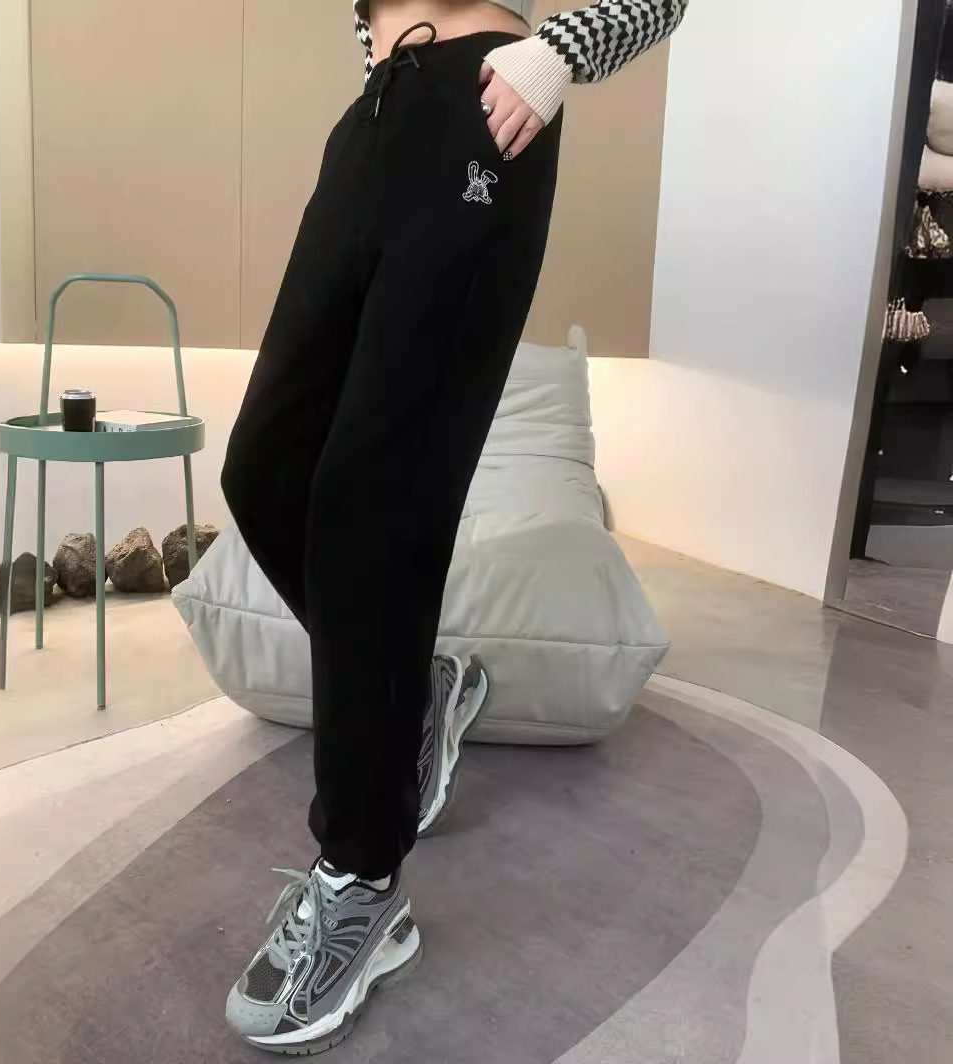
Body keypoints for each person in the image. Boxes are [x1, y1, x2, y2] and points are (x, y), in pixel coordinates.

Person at [220, 0, 688, 1053]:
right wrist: (375, 65)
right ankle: (417, 686)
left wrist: (558, 53)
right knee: (264, 467)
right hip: (372, 121)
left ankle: (362, 883)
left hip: (490, 99)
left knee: (374, 500)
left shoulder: (518, 72)